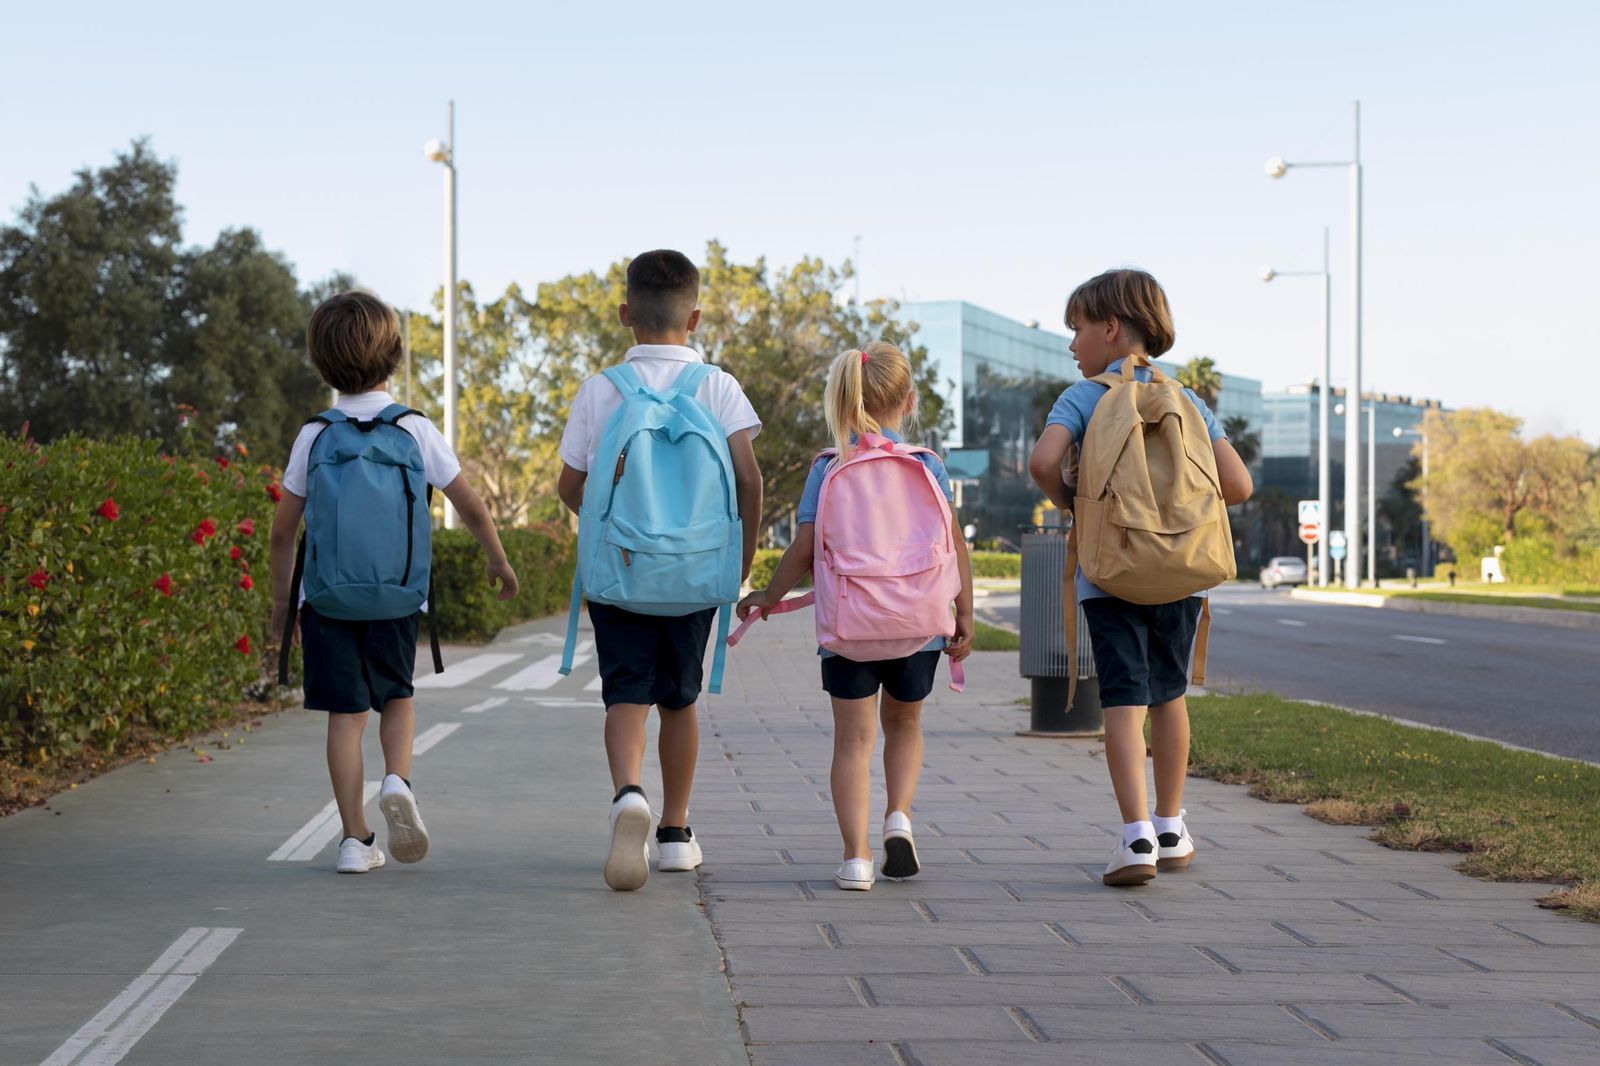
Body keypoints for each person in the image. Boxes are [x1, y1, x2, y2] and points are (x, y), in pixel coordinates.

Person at [270, 291, 518, 874]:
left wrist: (282, 607)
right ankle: (397, 781)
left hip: (327, 599)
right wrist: (497, 561)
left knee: (345, 717)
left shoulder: (314, 434)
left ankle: (355, 841)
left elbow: (283, 533)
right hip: (398, 596)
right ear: (396, 356)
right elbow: (473, 507)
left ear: (320, 361)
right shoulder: (414, 429)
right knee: (397, 697)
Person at [1028, 269, 1252, 887]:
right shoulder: (1189, 400)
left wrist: (1074, 501)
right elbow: (1238, 485)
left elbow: (1044, 461)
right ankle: (1173, 826)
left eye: (1076, 330)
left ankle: (1134, 839)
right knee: (1170, 695)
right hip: (1182, 573)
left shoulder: (1083, 398)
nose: (1072, 345)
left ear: (1109, 328)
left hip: (1111, 573)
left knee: (1123, 702)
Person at [557, 249, 763, 891]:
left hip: (621, 573)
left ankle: (628, 797)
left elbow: (571, 485)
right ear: (695, 317)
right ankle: (675, 832)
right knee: (681, 699)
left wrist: (609, 525)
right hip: (697, 572)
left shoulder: (601, 390)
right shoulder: (718, 387)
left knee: (625, 694)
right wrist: (741, 558)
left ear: (626, 313)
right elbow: (748, 479)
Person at [739, 341, 974, 892]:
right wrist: (961, 612)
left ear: (843, 400)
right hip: (918, 625)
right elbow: (954, 544)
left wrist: (768, 597)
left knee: (853, 742)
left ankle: (856, 859)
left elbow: (803, 548)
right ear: (908, 400)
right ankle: (899, 817)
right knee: (905, 725)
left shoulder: (829, 467)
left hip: (849, 629)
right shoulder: (926, 464)